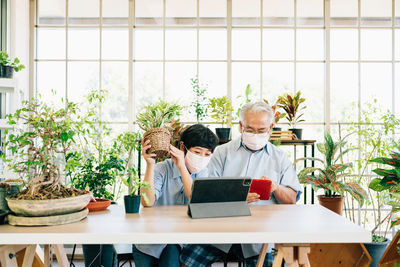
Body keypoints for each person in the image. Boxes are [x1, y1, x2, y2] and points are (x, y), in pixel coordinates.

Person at [180, 102, 302, 267]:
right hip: (220, 230)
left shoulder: (279, 158)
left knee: (266, 263)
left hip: (259, 236)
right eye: (250, 130)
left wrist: (276, 188)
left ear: (271, 127)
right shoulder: (222, 152)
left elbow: (292, 199)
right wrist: (236, 198)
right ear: (240, 126)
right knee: (187, 260)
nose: (255, 135)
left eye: (261, 130)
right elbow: (205, 193)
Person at [132, 124, 219, 267]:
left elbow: (196, 201)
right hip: (151, 240)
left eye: (207, 154)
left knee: (172, 255)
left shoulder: (205, 173)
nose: (202, 158)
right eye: (197, 152)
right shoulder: (162, 169)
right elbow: (147, 202)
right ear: (183, 147)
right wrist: (150, 165)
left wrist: (182, 167)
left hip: (181, 241)